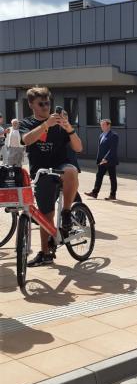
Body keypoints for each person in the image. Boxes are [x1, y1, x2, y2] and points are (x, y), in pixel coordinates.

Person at [20, 86, 83, 267]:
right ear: (32, 104)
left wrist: (69, 128)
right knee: (45, 215)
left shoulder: (60, 125)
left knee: (71, 171)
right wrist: (46, 125)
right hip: (41, 172)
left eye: (48, 103)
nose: (46, 107)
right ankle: (45, 253)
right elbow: (26, 140)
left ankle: (66, 212)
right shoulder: (27, 123)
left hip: (60, 166)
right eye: (41, 104)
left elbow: (78, 148)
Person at [85, 119, 119, 200]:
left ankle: (112, 195)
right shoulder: (101, 135)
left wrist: (106, 158)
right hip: (101, 161)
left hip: (110, 160)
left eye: (103, 125)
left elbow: (113, 149)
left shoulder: (114, 135)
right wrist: (99, 159)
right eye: (101, 125)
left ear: (108, 125)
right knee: (99, 176)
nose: (102, 127)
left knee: (112, 177)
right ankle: (94, 193)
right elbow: (100, 149)